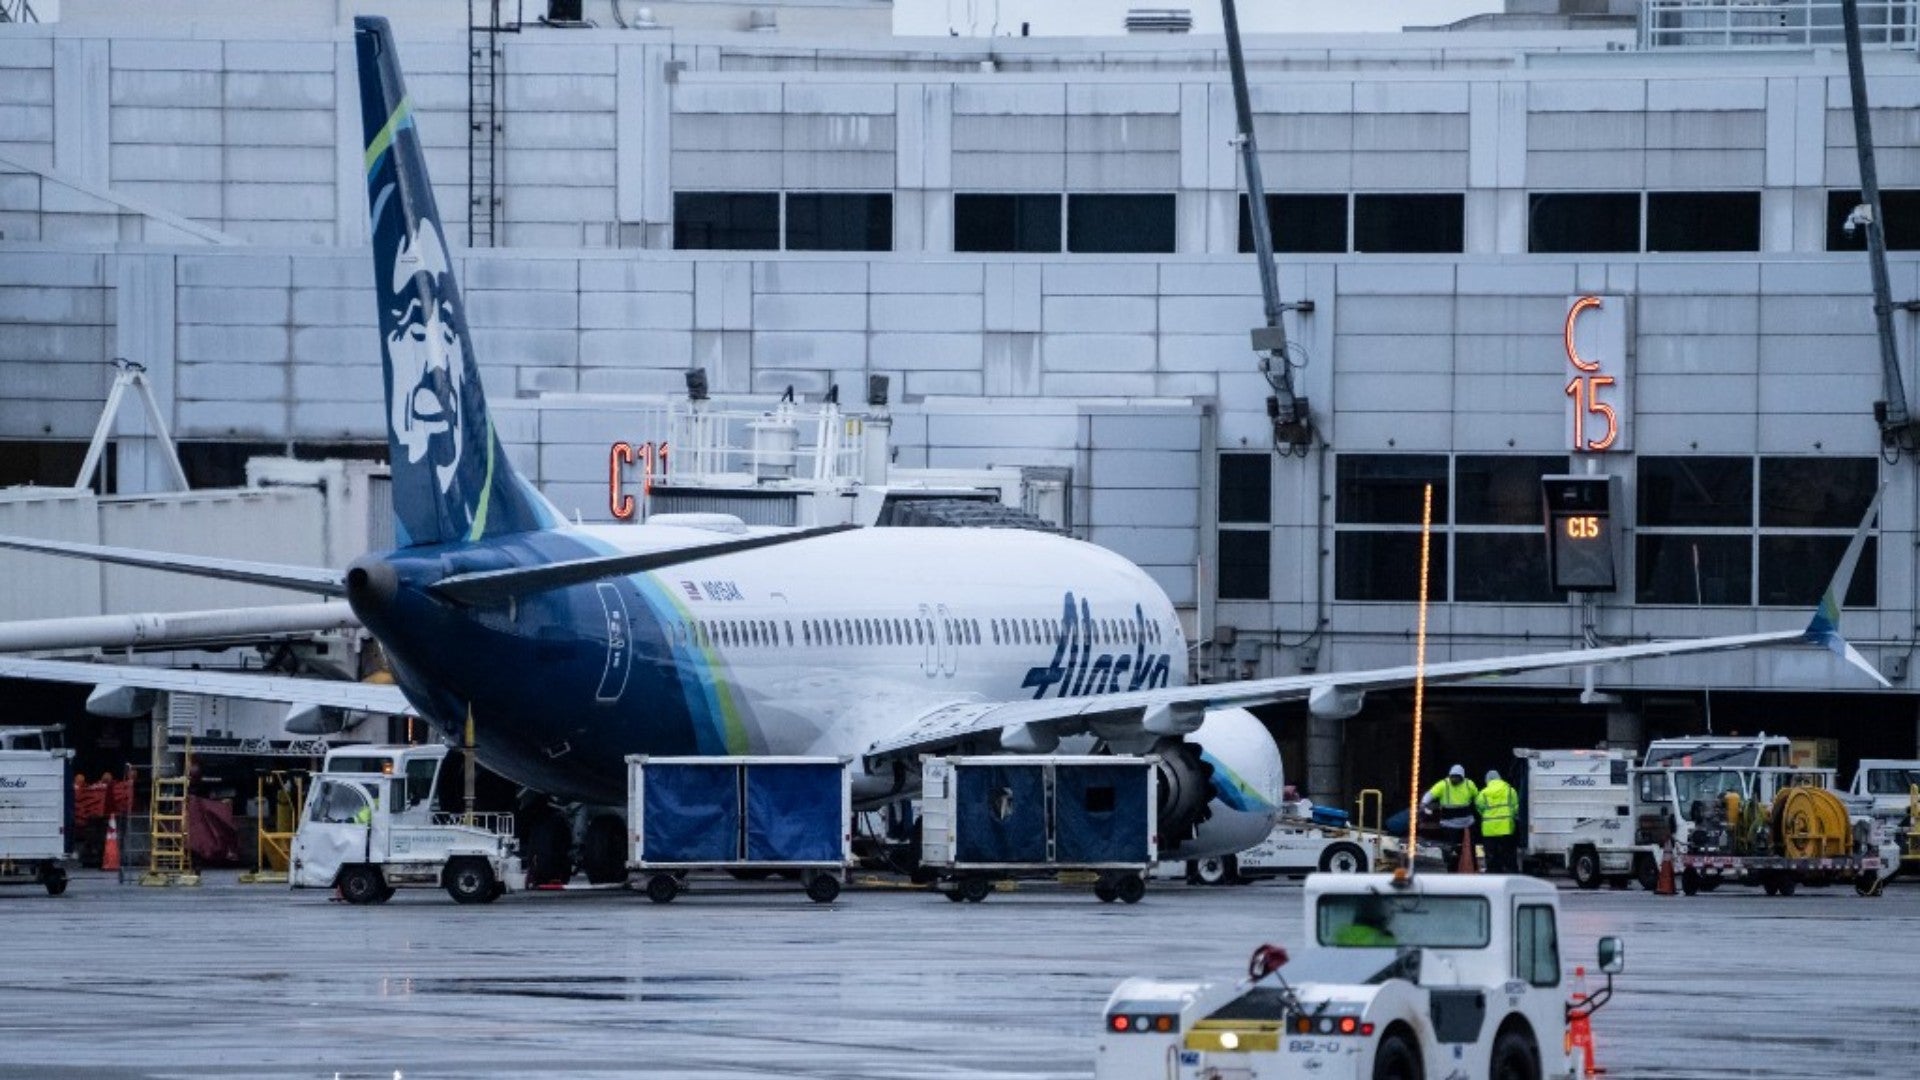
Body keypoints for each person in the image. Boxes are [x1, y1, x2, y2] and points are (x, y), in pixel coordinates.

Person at [1422, 764, 1479, 869]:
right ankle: (1451, 868)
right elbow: (1431, 794)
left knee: (1468, 848)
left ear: (1462, 777)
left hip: (1466, 824)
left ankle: (1471, 867)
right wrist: (1424, 803)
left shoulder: (1469, 784)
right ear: (1449, 776)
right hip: (1450, 824)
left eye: (1457, 777)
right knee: (1451, 849)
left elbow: (1478, 798)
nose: (1454, 779)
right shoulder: (1443, 785)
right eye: (1453, 777)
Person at [1476, 768, 1521, 873]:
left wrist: (1487, 816)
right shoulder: (1510, 790)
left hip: (1489, 829)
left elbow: (1479, 807)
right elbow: (1516, 807)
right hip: (1507, 827)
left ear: (1487, 780)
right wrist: (1510, 816)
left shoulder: (1483, 793)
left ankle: (1494, 873)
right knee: (1508, 853)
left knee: (1491, 855)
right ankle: (1511, 872)